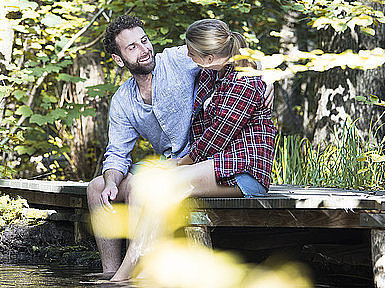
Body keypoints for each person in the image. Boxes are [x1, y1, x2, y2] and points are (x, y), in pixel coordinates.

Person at [86, 15, 273, 278]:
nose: (144, 49)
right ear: (119, 59)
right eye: (132, 47)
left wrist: (265, 75)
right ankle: (110, 272)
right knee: (97, 188)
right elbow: (117, 153)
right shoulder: (124, 100)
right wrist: (111, 181)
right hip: (182, 160)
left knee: (148, 187)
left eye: (144, 40)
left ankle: (134, 274)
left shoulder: (178, 60)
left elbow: (227, 47)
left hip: (208, 160)